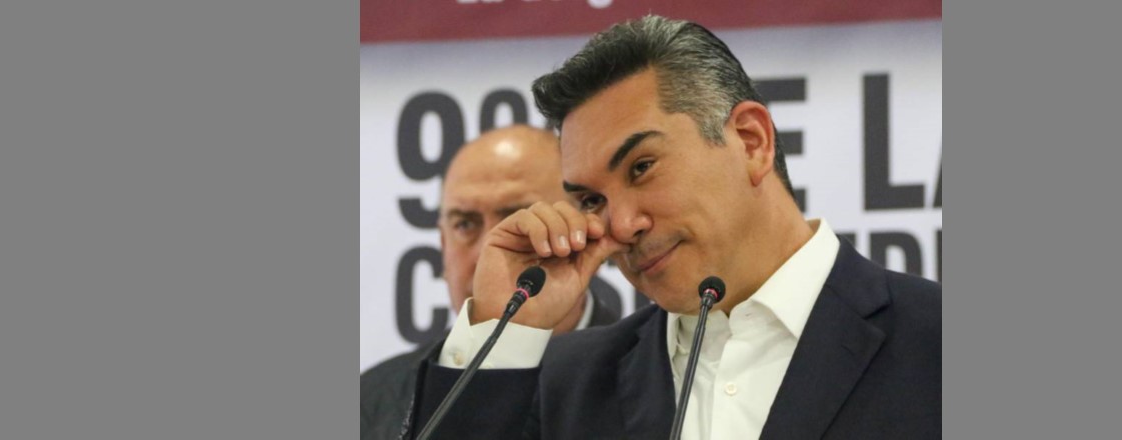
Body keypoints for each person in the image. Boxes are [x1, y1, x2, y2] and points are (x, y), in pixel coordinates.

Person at [410, 15, 941, 439]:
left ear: (751, 141)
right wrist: (503, 328)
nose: (622, 225)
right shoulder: (564, 385)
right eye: (592, 200)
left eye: (642, 167)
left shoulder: (941, 341)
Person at [360, 125, 624, 440]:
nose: (490, 252)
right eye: (464, 224)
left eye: (520, 221)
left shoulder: (655, 374)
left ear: (585, 227)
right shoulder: (370, 400)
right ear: (443, 244)